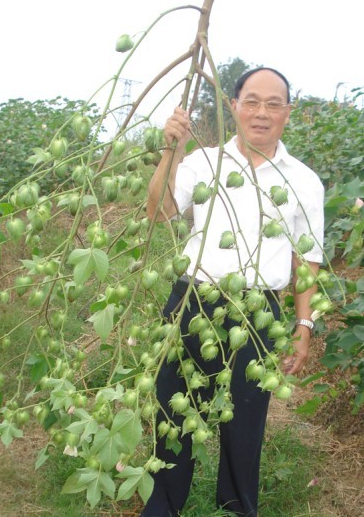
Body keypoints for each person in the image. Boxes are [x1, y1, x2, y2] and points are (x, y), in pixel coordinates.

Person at [141, 67, 324, 517]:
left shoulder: (304, 181)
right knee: (172, 413)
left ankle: (238, 508)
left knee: (245, 424)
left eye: (273, 103)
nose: (262, 112)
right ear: (234, 106)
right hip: (192, 299)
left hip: (258, 311)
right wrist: (171, 151)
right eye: (252, 101)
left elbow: (308, 260)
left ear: (287, 112)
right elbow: (158, 213)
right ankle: (163, 507)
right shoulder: (202, 163)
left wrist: (303, 324)